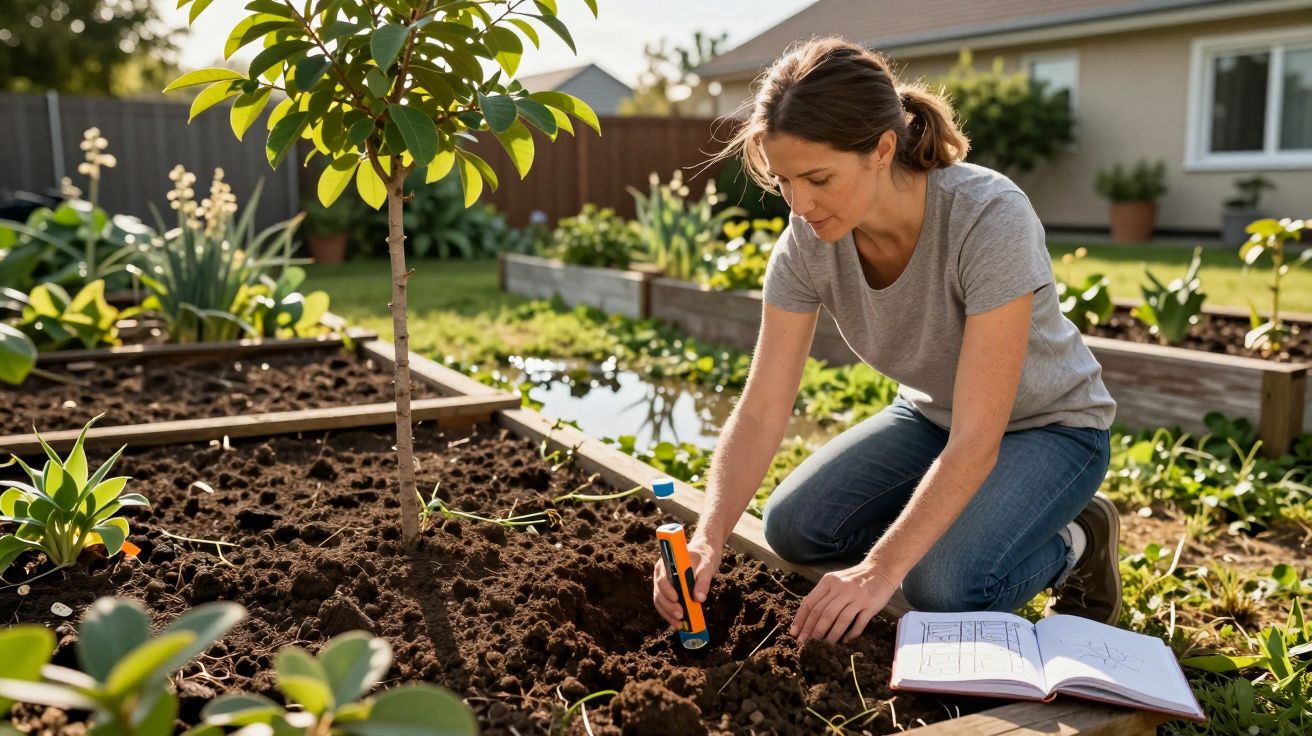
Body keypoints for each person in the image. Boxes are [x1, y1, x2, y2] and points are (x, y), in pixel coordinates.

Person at [651, 36, 1121, 646]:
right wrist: (708, 535)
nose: (800, 204)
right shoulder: (805, 242)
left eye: (819, 178)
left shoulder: (988, 217)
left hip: (1051, 428)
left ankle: (1076, 535)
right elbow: (764, 405)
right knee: (794, 528)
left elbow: (979, 439)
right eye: (786, 180)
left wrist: (880, 569)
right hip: (931, 419)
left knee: (942, 589)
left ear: (882, 148)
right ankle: (963, 522)